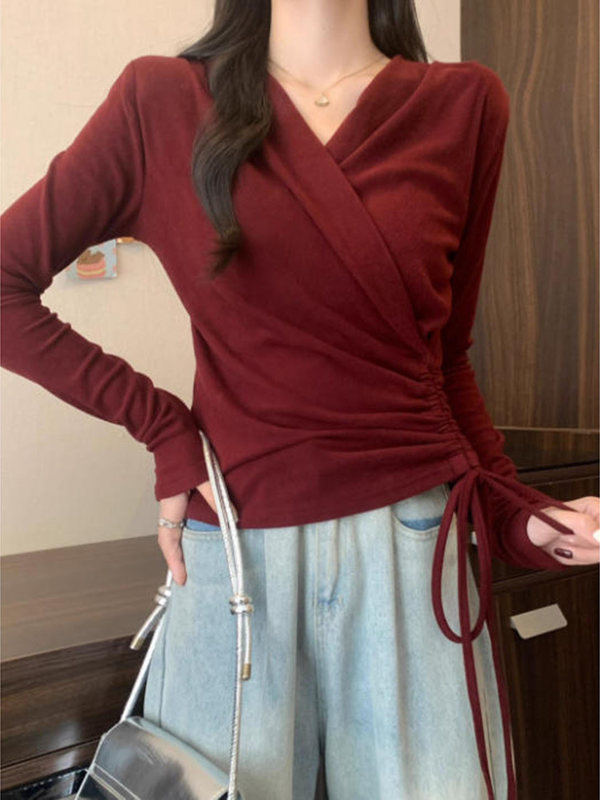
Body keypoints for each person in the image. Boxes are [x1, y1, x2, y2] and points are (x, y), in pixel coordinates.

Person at [2, 1, 598, 798]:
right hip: (235, 552)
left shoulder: (464, 103)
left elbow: (445, 360)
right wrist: (164, 427)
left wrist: (514, 514)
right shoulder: (161, 100)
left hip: (413, 546)